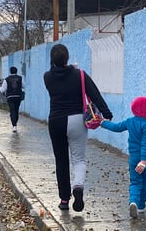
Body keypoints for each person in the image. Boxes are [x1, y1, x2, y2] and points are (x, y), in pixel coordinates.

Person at [43, 44, 113, 212]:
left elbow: (58, 75)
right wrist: (106, 112)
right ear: (67, 57)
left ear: (52, 59)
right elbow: (94, 94)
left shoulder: (47, 77)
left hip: (56, 121)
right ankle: (78, 187)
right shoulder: (80, 74)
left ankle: (64, 200)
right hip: (77, 120)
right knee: (79, 159)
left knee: (61, 161)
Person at [100, 96, 146, 219]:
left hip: (133, 158)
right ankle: (141, 206)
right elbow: (145, 144)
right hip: (145, 159)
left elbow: (116, 127)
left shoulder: (130, 121)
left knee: (135, 181)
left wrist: (102, 122)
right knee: (144, 182)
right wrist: (144, 161)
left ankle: (133, 202)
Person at [0, 67, 23, 132]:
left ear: (10, 71)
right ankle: (15, 123)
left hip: (10, 97)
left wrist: (0, 88)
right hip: (18, 96)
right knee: (16, 110)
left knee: (12, 111)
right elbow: (23, 86)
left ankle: (14, 125)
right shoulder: (20, 78)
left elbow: (3, 89)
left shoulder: (6, 79)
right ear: (16, 71)